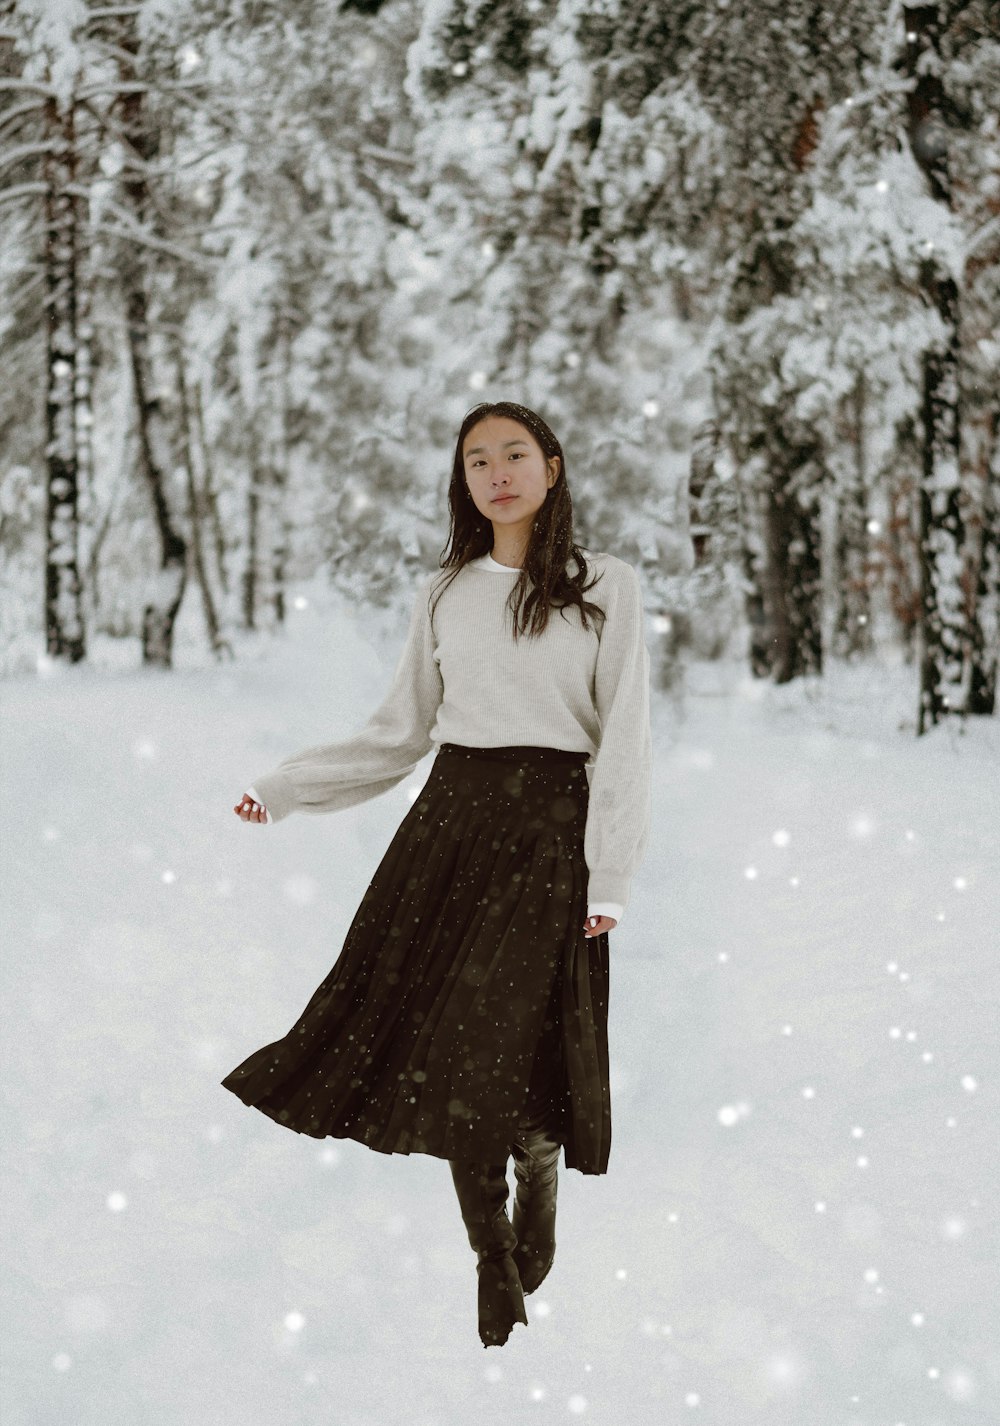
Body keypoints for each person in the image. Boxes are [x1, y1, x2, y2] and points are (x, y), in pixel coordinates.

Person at [221, 400, 652, 1348]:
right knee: (461, 1046)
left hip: (548, 836)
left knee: (510, 1049)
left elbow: (624, 743)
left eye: (514, 455)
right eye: (476, 460)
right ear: (464, 482)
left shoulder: (605, 586)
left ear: (551, 465)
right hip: (449, 832)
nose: (496, 472)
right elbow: (400, 733)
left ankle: (536, 1169)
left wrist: (608, 872)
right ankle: (490, 1254)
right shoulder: (445, 592)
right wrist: (289, 787)